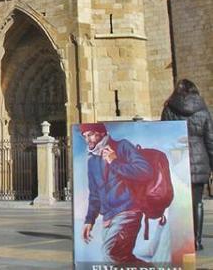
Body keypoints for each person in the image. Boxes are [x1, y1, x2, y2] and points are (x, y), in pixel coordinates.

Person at [80, 123, 153, 264]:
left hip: (129, 210)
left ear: (101, 133)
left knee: (111, 254)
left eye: (91, 134)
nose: (87, 139)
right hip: (108, 217)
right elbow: (94, 194)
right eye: (85, 136)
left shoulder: (122, 147)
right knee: (122, 258)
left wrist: (114, 161)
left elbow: (146, 171)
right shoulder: (92, 161)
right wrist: (90, 220)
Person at [161, 79, 213, 251]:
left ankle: (181, 241)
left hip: (177, 160)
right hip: (199, 161)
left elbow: (164, 137)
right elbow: (210, 141)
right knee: (197, 202)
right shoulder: (203, 110)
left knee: (179, 203)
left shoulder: (169, 108)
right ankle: (197, 241)